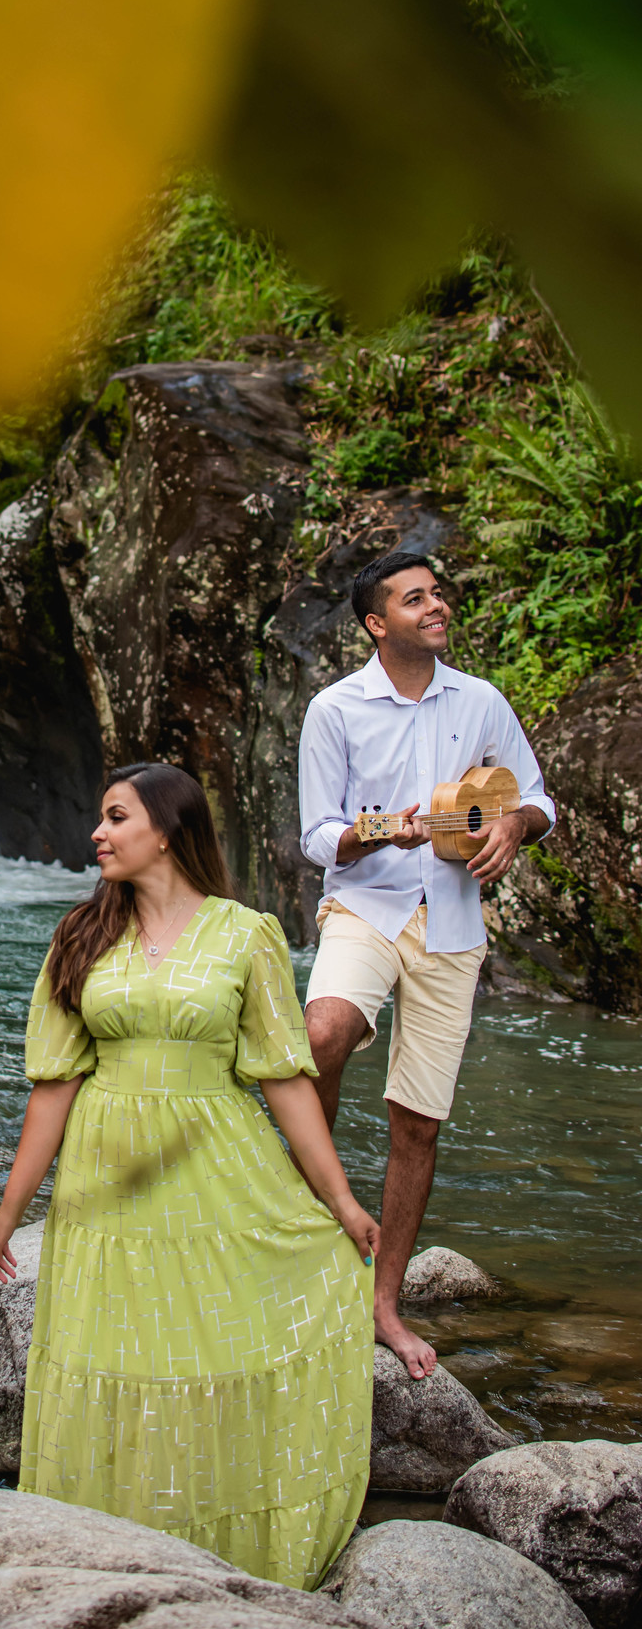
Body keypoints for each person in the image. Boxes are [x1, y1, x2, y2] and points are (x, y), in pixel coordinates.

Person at [0, 762, 379, 1591]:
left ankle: (223, 1557)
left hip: (218, 1167)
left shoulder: (246, 934)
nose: (98, 833)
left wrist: (338, 1200)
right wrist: (10, 1208)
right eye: (98, 817)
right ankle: (106, 1553)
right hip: (108, 1177)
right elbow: (53, 1088)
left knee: (207, 1352)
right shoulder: (79, 938)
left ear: (165, 829)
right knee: (117, 1355)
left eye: (116, 817)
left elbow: (284, 1077)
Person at [298, 552, 555, 1382]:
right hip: (364, 908)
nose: (437, 605)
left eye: (437, 593)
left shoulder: (480, 700)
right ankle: (314, 1223)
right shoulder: (334, 709)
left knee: (419, 1120)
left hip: (452, 927)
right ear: (378, 623)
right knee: (321, 1033)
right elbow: (316, 838)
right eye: (417, 598)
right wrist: (385, 830)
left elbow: (538, 797)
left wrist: (515, 828)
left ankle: (383, 1304)